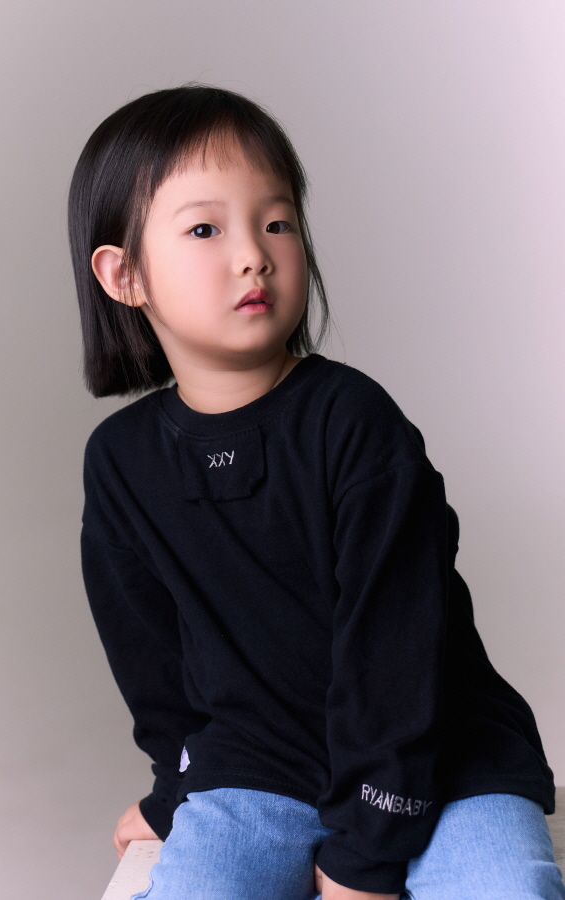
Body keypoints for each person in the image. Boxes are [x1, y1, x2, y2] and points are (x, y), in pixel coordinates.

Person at [68, 85, 564, 900]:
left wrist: (364, 856)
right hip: (259, 766)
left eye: (277, 223)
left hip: (443, 761)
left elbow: (399, 655)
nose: (254, 255)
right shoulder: (120, 461)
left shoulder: (354, 421)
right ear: (124, 275)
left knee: (503, 888)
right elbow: (155, 666)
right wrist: (173, 793)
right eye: (205, 229)